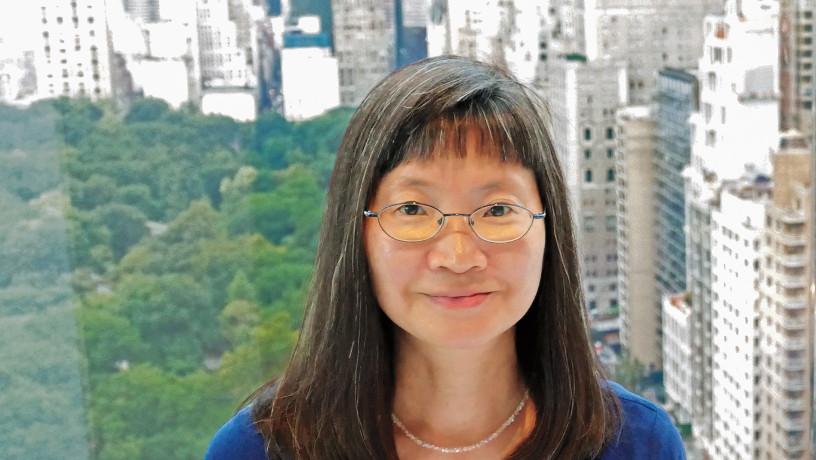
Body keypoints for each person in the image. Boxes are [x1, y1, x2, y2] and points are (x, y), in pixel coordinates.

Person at [204, 55, 686, 459]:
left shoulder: (634, 444)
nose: (458, 256)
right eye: (412, 209)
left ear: (549, 226)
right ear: (357, 233)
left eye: (497, 209)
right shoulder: (261, 448)